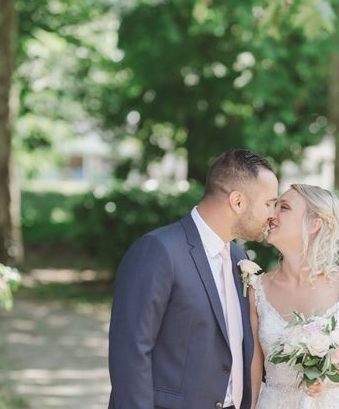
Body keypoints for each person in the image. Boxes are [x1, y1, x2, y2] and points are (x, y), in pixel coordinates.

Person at [108, 149, 279, 409]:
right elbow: (130, 354)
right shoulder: (158, 250)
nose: (272, 215)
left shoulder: (238, 257)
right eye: (268, 203)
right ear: (238, 201)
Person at [249, 184, 339, 409]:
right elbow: (252, 374)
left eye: (284, 207)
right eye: (274, 205)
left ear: (314, 223)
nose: (271, 214)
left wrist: (329, 379)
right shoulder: (256, 290)